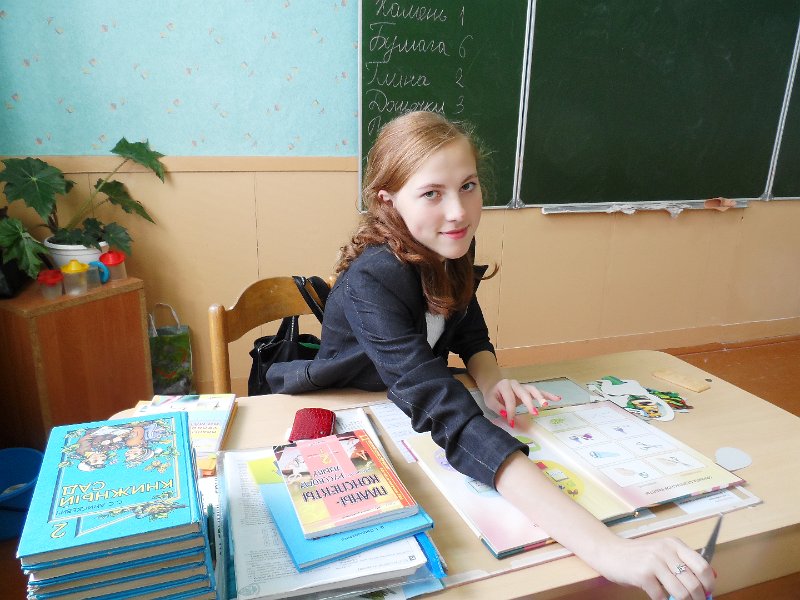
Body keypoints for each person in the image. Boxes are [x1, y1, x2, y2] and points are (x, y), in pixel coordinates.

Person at [267, 111, 714, 600]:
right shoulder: (372, 278)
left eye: (468, 186)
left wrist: (492, 379)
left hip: (403, 404)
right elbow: (441, 408)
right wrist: (607, 549)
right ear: (387, 201)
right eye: (432, 193)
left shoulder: (449, 243)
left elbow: (469, 329)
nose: (458, 212)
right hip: (347, 403)